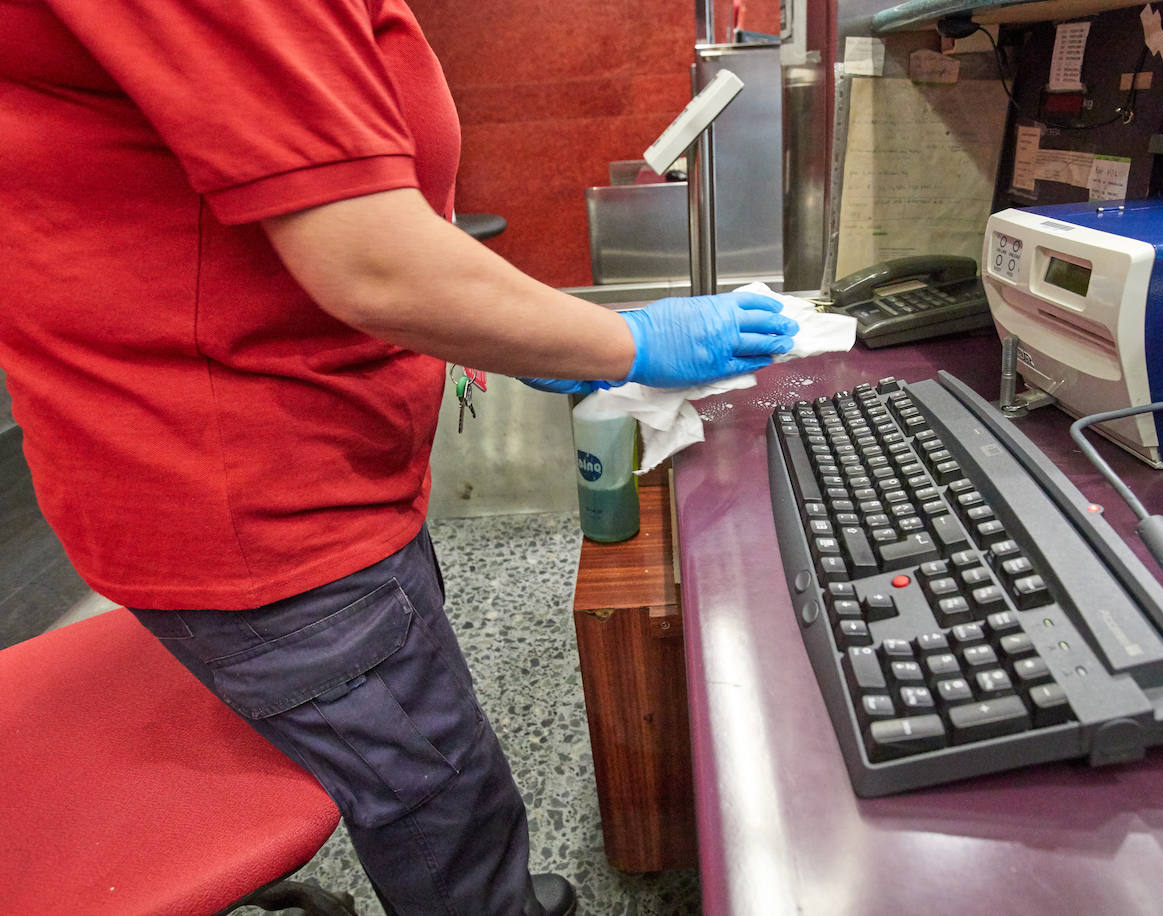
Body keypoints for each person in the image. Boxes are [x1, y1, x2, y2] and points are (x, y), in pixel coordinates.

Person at [0, 2, 796, 914]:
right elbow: (373, 266)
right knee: (441, 791)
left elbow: (348, 216)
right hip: (255, 508)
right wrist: (618, 339)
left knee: (422, 711)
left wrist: (532, 335)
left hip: (301, 463)